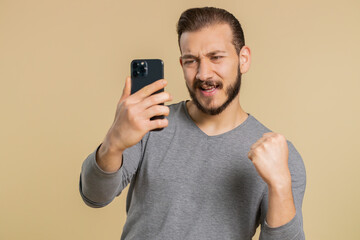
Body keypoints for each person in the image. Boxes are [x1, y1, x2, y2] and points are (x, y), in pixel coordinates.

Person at [79, 7, 306, 240]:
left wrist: (280, 184)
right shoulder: (149, 124)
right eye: (191, 61)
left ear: (243, 59)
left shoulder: (280, 155)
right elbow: (94, 196)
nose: (203, 74)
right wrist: (113, 144)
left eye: (216, 57)